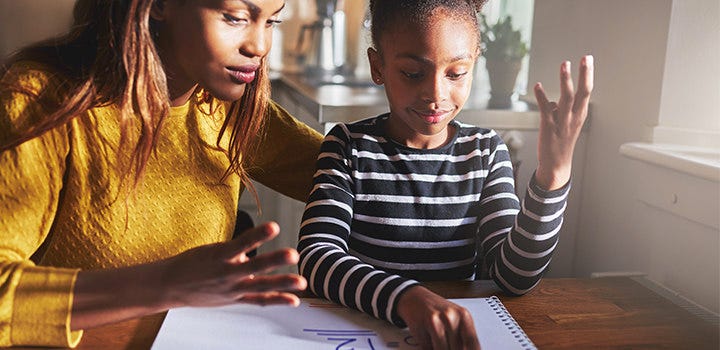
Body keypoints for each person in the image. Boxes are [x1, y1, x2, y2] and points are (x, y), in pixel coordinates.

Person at [0, 0, 323, 347]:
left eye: (272, 21)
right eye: (236, 18)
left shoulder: (228, 109)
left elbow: (357, 179)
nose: (259, 46)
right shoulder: (42, 102)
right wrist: (167, 283)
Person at [297, 0, 594, 348]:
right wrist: (406, 299)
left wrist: (552, 177)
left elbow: (514, 278)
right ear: (378, 66)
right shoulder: (347, 145)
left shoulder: (485, 151)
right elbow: (316, 256)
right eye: (412, 73)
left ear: (474, 67)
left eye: (455, 73)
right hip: (360, 333)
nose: (436, 95)